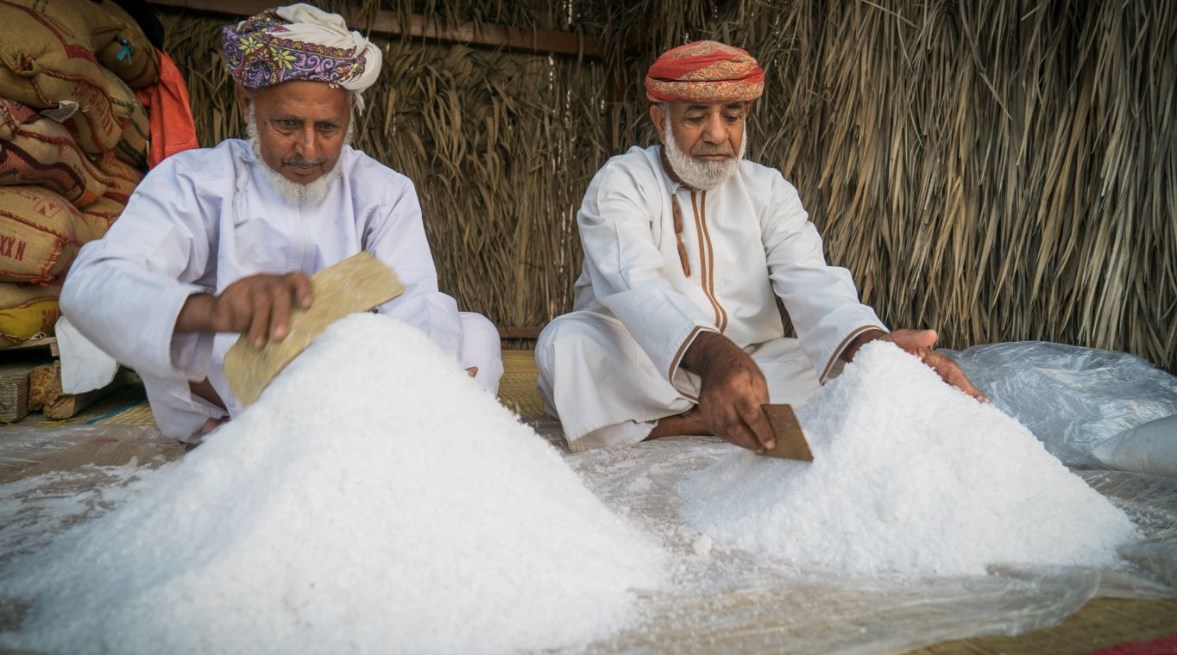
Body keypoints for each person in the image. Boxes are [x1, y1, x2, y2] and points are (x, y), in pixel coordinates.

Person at [60, 4, 503, 441]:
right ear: (246, 101)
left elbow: (414, 299)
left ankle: (385, 432)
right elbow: (92, 284)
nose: (308, 150)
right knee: (178, 335)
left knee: (475, 334)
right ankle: (257, 438)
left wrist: (429, 375)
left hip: (352, 394)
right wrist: (210, 310)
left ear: (351, 112)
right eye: (288, 124)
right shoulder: (193, 181)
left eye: (328, 127)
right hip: (231, 393)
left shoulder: (383, 192)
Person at [536, 41, 983, 453]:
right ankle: (701, 419)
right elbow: (637, 285)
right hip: (645, 364)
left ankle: (696, 418)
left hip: (751, 368)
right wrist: (713, 358)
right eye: (696, 117)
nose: (716, 134)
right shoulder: (623, 182)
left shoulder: (768, 189)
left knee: (841, 368)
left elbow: (812, 283)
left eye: (731, 116)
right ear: (661, 120)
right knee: (567, 345)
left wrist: (875, 348)